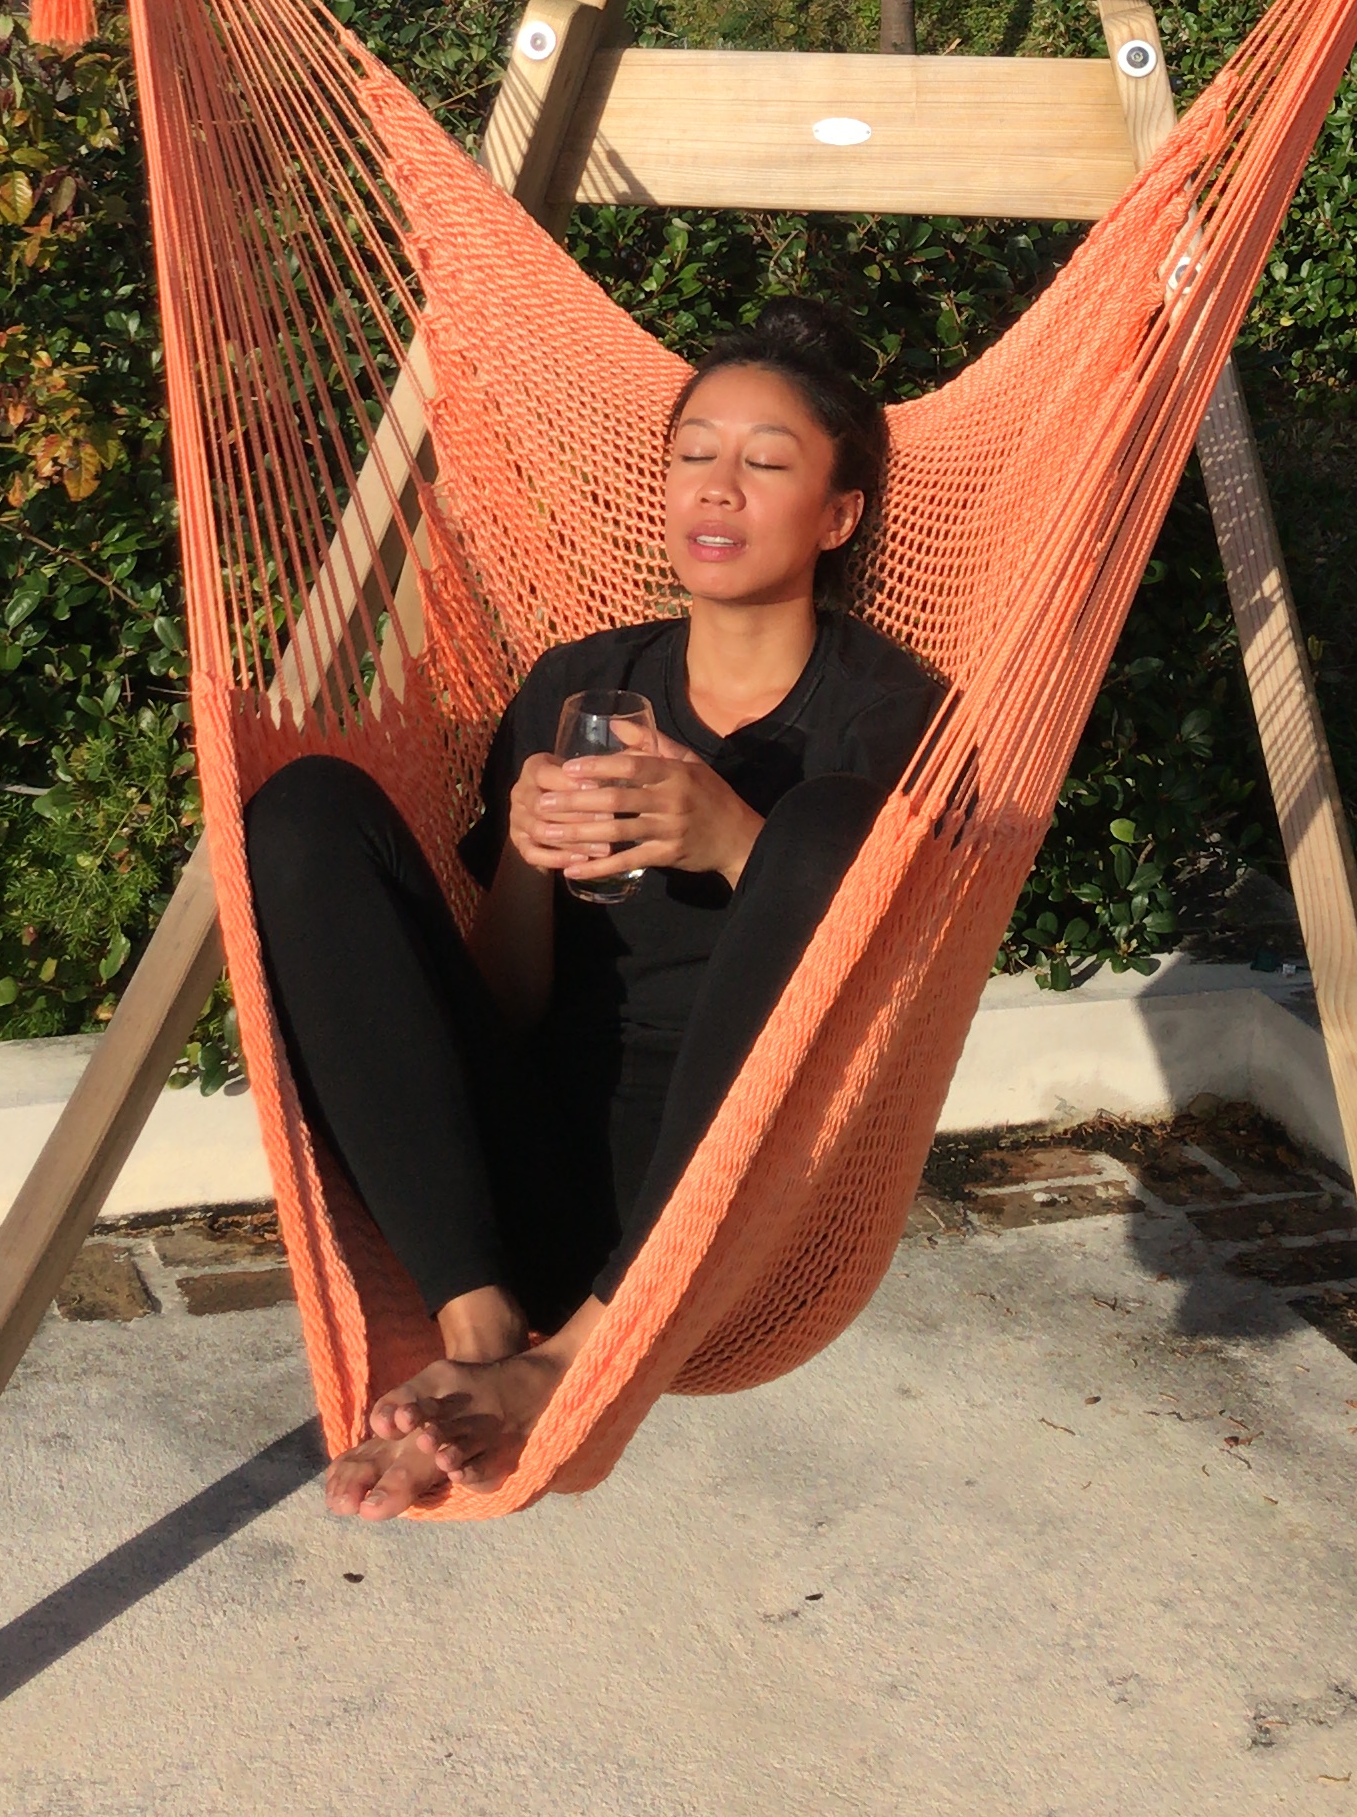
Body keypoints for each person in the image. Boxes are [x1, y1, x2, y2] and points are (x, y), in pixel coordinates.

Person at [244, 297, 942, 1520]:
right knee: (305, 809)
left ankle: (569, 1361)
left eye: (764, 462)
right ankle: (477, 1334)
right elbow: (508, 1002)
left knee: (833, 828)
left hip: (730, 1200)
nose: (715, 486)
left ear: (836, 517)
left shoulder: (888, 715)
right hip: (513, 1186)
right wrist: (525, 855)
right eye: (693, 453)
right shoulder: (581, 684)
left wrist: (735, 839)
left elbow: (879, 1001)